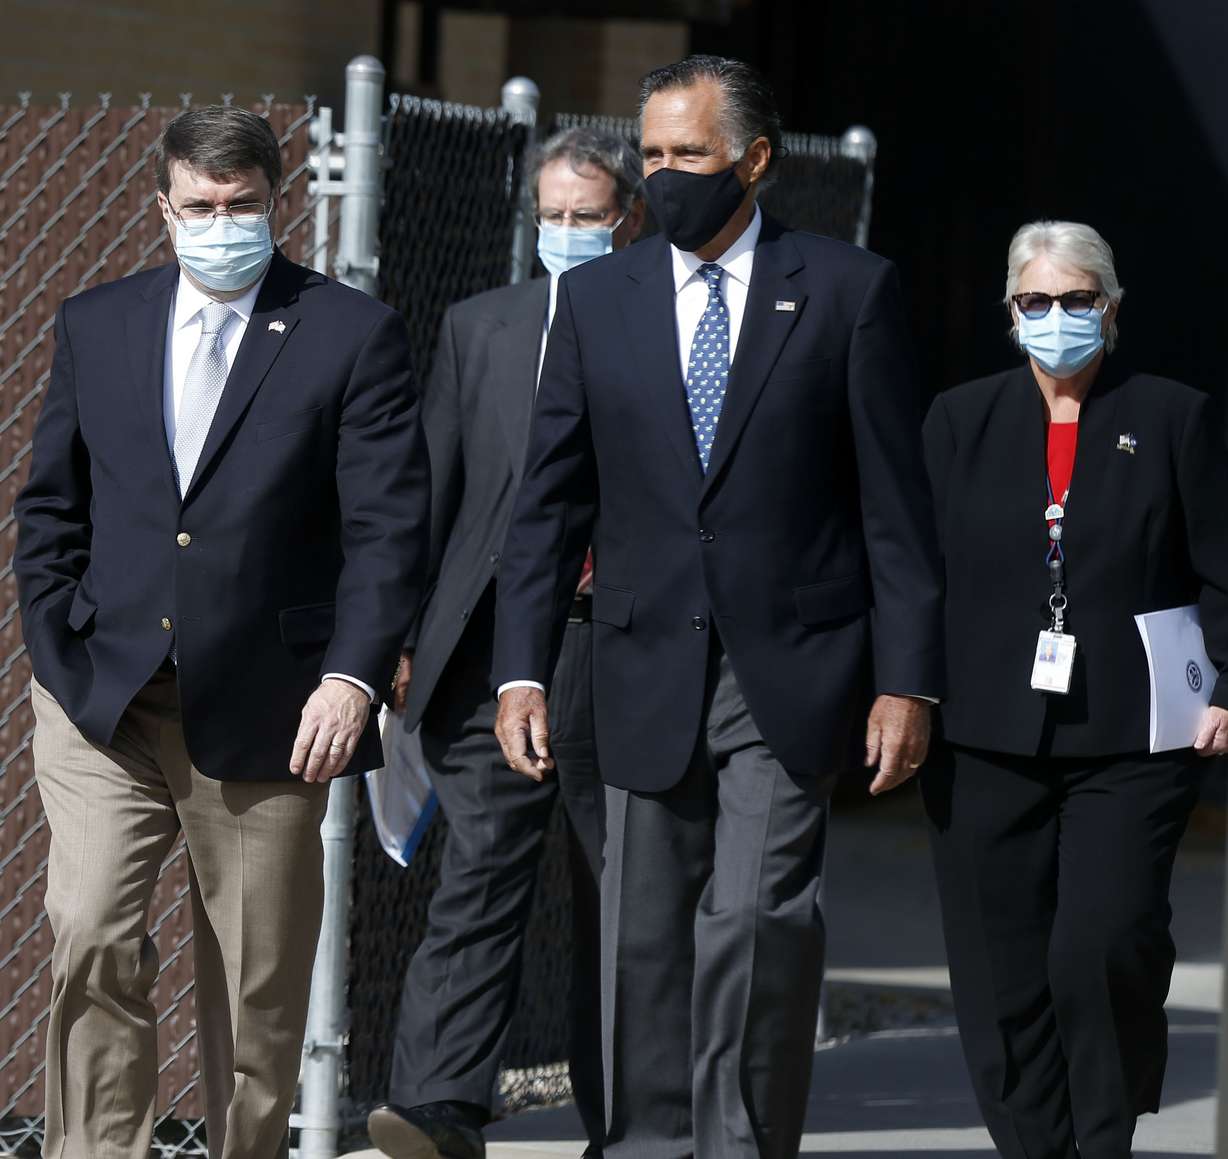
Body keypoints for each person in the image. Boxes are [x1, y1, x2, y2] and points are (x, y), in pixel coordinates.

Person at [493, 55, 944, 1158]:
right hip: (643, 661)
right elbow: (548, 503)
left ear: (751, 159)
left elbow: (894, 508)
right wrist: (520, 666)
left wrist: (906, 679)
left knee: (756, 917)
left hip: (788, 665)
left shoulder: (845, 291)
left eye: (686, 153)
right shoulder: (600, 298)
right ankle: (648, 1144)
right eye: (649, 153)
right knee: (640, 938)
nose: (662, 172)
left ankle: (737, 1144)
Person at [14, 106, 429, 1159]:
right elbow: (51, 511)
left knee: (257, 984)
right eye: (198, 206)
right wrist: (60, 655)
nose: (220, 222)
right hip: (106, 699)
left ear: (275, 202)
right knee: (93, 933)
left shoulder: (351, 334)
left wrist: (351, 678)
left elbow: (386, 530)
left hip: (271, 708)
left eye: (241, 204)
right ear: (163, 209)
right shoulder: (95, 323)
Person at [921, 219, 1228, 1159]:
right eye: (1037, 302)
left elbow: (1220, 563)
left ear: (1113, 307)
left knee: (1100, 946)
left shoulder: (1175, 415)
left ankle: (1103, 1140)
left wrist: (1222, 679)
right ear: (1011, 315)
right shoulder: (957, 420)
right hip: (983, 734)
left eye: (1078, 299)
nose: (1058, 318)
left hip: (1133, 734)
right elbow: (915, 570)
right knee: (999, 967)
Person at [366, 127, 645, 1159]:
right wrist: (399, 633)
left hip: (616, 647)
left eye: (588, 216)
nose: (567, 235)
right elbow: (430, 488)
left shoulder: (666, 322)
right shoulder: (482, 327)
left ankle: (629, 1119)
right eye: (553, 217)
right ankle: (435, 1104)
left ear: (631, 219)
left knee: (620, 888)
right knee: (479, 870)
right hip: (490, 655)